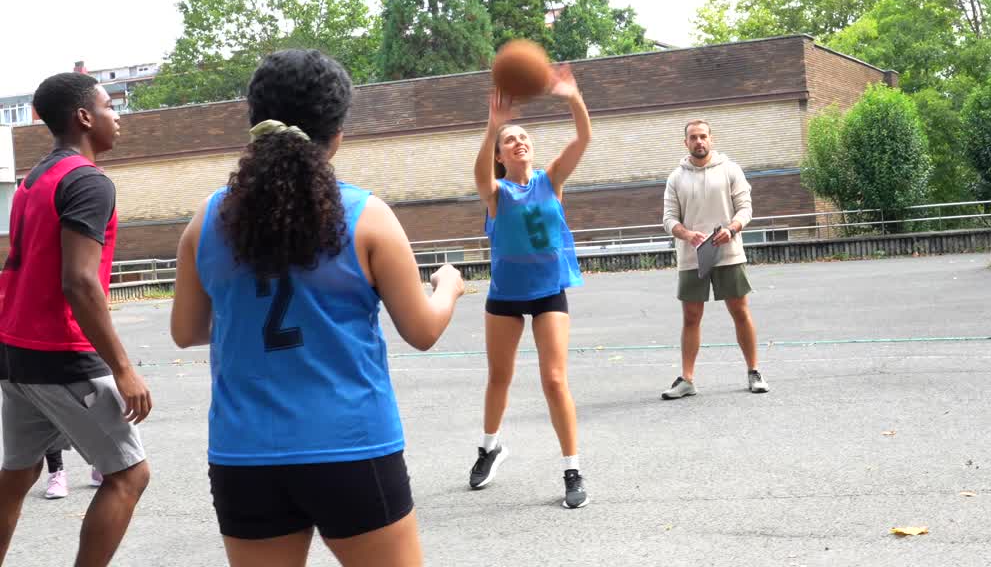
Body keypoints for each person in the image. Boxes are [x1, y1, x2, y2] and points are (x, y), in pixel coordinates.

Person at [169, 49, 466, 566]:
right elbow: (421, 329)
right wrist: (450, 287)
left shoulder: (206, 219)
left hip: (245, 455)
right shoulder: (367, 216)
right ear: (337, 133)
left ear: (254, 122)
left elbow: (187, 330)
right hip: (350, 447)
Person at [0, 72, 151, 566]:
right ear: (84, 117)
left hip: (16, 353)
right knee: (129, 475)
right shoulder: (87, 181)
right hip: (60, 357)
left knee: (17, 476)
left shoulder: (33, 179)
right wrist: (123, 368)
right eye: (110, 106)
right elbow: (80, 283)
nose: (117, 117)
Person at [468, 65, 591, 509]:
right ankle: (490, 447)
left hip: (547, 291)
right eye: (510, 140)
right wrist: (492, 127)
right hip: (505, 293)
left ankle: (572, 469)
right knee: (499, 376)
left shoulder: (550, 181)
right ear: (501, 154)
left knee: (555, 378)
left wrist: (573, 98)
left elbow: (582, 140)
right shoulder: (496, 192)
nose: (519, 142)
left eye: (523, 138)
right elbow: (479, 177)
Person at [660, 119, 769, 400]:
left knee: (740, 310)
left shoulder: (730, 170)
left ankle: (753, 371)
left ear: (712, 139)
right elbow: (669, 218)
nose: (699, 142)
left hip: (728, 253)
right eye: (693, 137)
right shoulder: (676, 178)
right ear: (685, 142)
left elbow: (745, 208)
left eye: (703, 136)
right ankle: (687, 379)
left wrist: (732, 229)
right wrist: (686, 234)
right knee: (691, 317)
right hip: (691, 256)